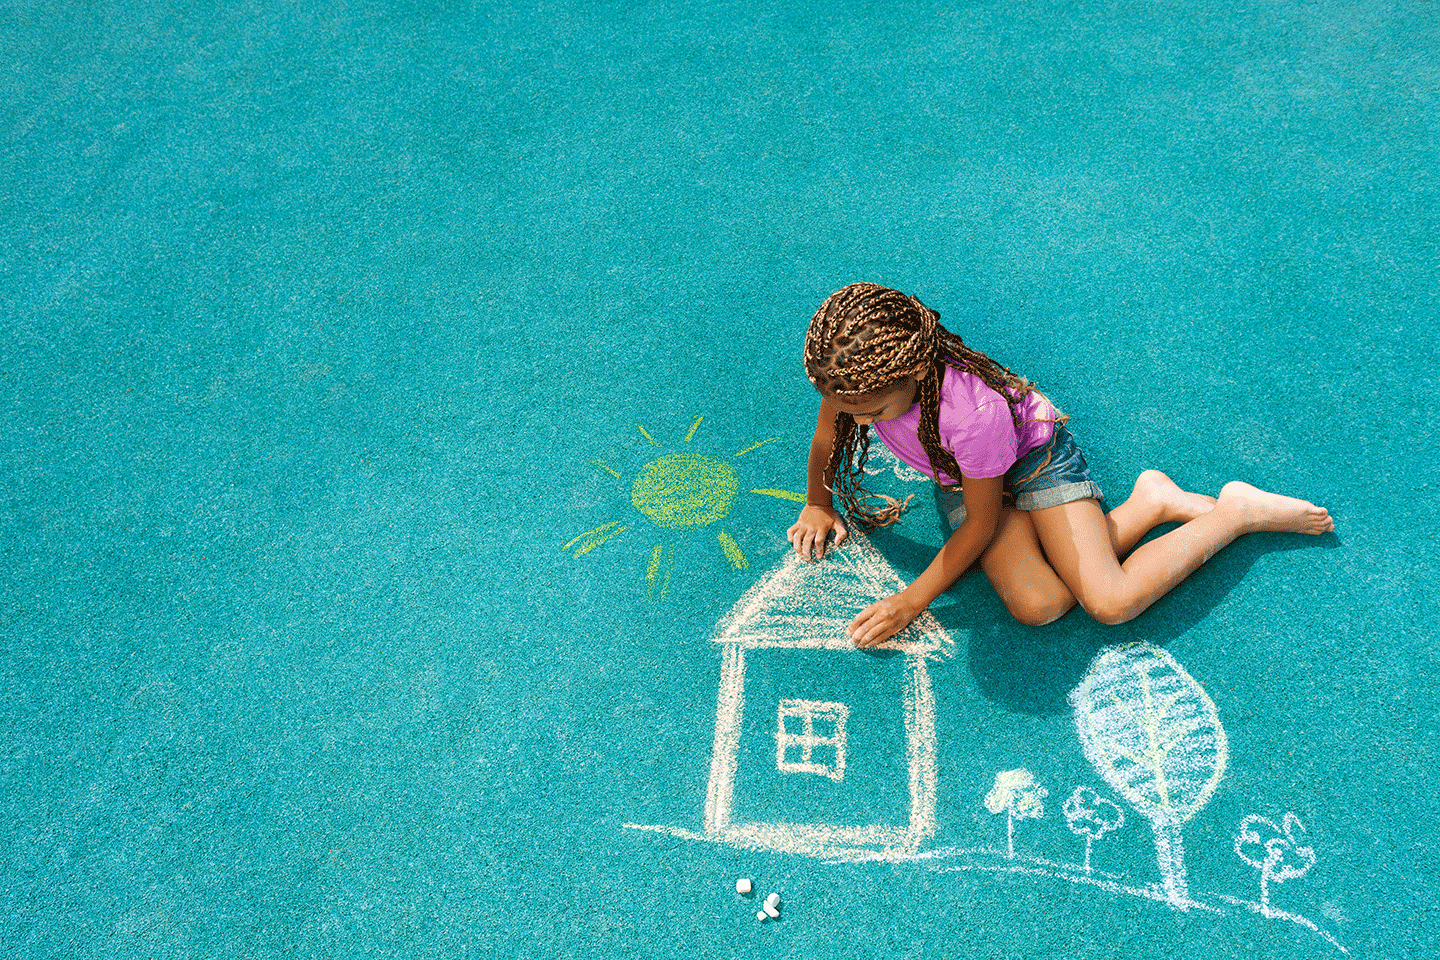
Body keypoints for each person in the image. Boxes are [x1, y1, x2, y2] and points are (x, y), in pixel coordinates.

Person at [787, 282, 1333, 647]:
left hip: (1034, 463)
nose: (858, 423)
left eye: (873, 412)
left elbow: (980, 525)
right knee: (1040, 605)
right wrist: (818, 502)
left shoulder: (973, 413)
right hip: (969, 479)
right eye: (848, 409)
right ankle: (1151, 501)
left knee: (1111, 601)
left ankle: (1235, 512)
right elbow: (824, 440)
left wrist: (911, 601)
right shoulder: (853, 379)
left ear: (914, 371)